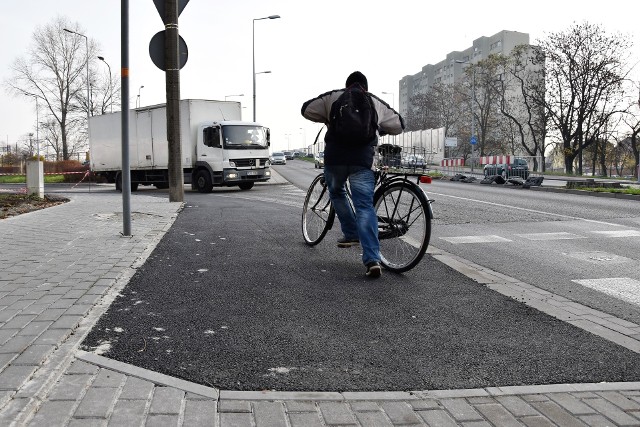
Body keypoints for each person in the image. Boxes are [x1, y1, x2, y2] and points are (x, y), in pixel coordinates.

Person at [301, 71, 404, 278]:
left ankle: (350, 232)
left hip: (335, 159)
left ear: (347, 85)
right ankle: (372, 259)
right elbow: (399, 125)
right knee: (364, 205)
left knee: (337, 191)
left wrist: (328, 118)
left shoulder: (334, 97)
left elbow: (306, 109)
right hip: (362, 161)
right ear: (365, 86)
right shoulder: (374, 101)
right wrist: (377, 127)